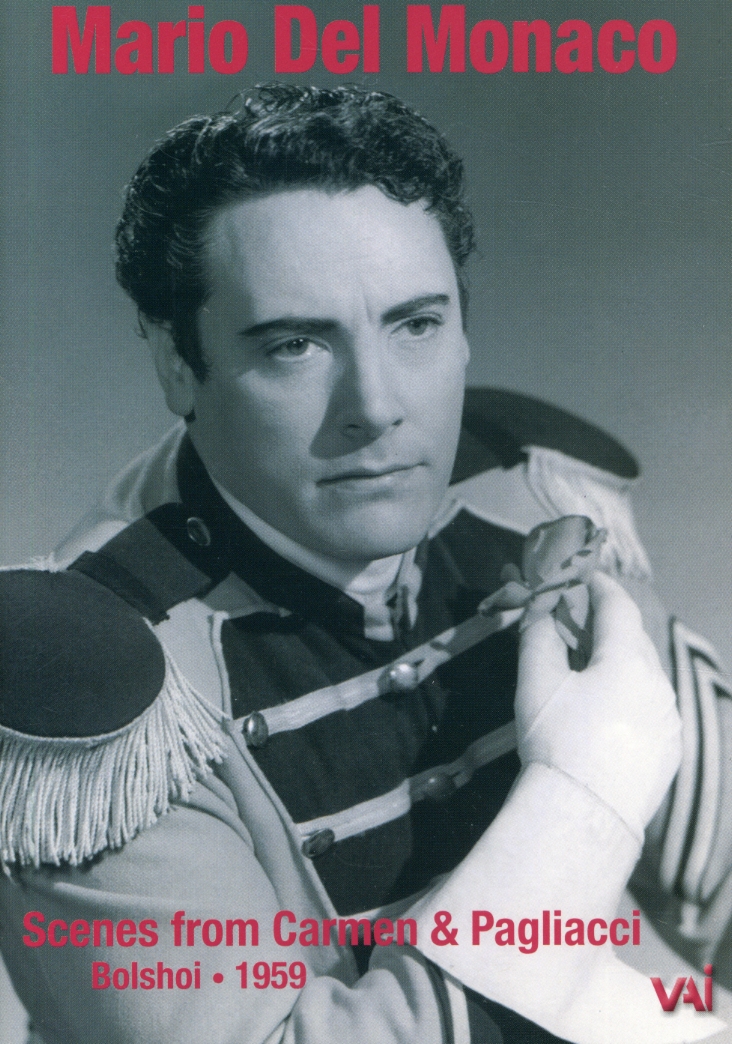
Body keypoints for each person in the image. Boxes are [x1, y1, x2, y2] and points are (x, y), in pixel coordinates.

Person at [0, 83, 730, 1044]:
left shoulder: (528, 492)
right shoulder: (90, 688)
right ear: (178, 363)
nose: (377, 407)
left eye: (415, 324)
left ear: (463, 328)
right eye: (296, 345)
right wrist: (583, 801)